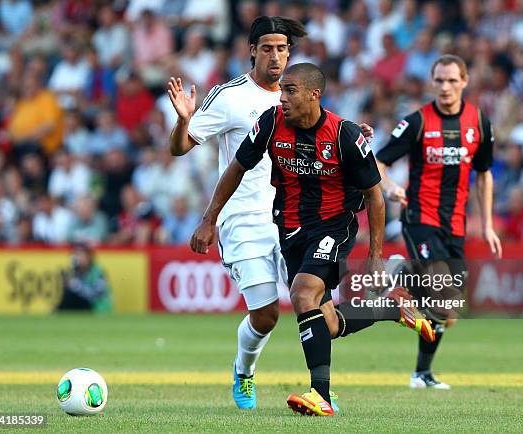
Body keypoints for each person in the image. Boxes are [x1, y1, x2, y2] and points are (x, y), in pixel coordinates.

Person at [191, 63, 434, 417]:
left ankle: (322, 394)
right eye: (281, 91)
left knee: (302, 293)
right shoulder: (272, 122)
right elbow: (237, 168)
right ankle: (390, 308)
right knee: (327, 322)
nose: (282, 97)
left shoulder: (344, 135)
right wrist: (209, 218)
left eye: (290, 90)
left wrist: (376, 255)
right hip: (289, 229)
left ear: (313, 95)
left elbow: (375, 197)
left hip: (334, 226)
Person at [168, 16, 375, 410]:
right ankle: (245, 372)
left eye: (282, 48)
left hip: (298, 218)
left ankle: (323, 384)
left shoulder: (299, 91)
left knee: (321, 313)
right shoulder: (230, 96)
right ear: (252, 50)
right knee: (265, 316)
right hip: (244, 219)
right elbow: (181, 147)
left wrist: (353, 137)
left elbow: (326, 137)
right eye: (267, 48)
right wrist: (183, 121)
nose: (276, 56)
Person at [376, 54, 503, 390]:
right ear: (433, 83)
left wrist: (487, 224)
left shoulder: (479, 122)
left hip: (456, 223)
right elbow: (379, 162)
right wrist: (389, 188)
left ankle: (421, 373)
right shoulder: (417, 122)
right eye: (439, 80)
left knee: (446, 311)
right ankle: (402, 275)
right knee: (442, 291)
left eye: (452, 80)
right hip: (420, 217)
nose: (445, 87)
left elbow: (484, 174)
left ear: (465, 82)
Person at [57, 243, 112, 313]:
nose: (77, 258)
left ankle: (57, 313)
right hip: (84, 306)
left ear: (88, 256)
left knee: (70, 294)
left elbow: (96, 296)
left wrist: (75, 284)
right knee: (68, 293)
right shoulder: (76, 272)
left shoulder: (98, 272)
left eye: (80, 255)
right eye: (75, 255)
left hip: (97, 308)